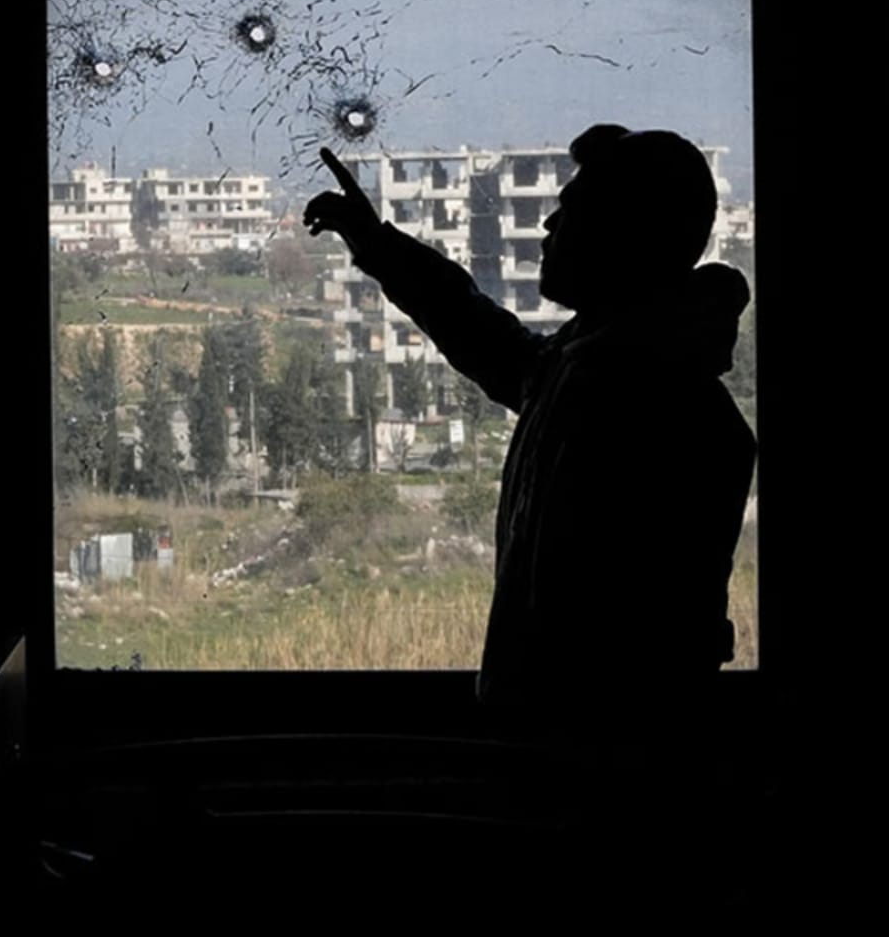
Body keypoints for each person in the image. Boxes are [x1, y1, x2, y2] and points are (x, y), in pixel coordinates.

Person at [304, 126, 757, 765]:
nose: (548, 224)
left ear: (624, 234)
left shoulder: (646, 400)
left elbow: (634, 656)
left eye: (573, 210)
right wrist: (376, 244)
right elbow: (492, 341)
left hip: (596, 769)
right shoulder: (607, 371)